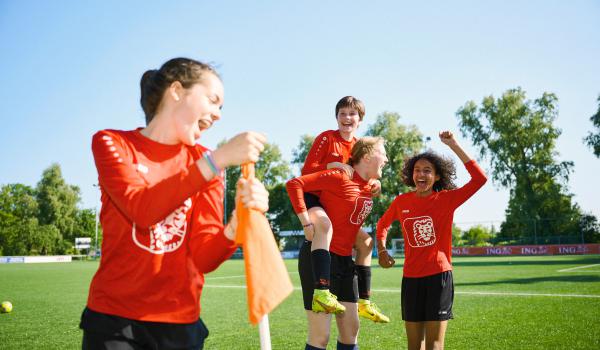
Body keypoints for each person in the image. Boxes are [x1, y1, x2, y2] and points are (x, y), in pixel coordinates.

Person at [79, 57, 269, 350]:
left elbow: (204, 257)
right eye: (213, 100)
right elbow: (141, 209)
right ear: (177, 90)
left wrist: (236, 224)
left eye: (221, 108)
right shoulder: (112, 142)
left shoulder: (206, 164)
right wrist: (216, 160)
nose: (218, 115)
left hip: (181, 325)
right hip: (114, 320)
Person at [376, 131, 487, 350]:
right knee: (414, 346)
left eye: (427, 170)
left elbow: (480, 179)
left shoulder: (447, 199)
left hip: (438, 277)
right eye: (417, 170)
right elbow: (382, 225)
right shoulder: (401, 201)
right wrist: (381, 250)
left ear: (437, 176)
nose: (421, 174)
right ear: (411, 174)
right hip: (410, 278)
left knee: (434, 345)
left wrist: (453, 144)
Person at [287, 137, 388, 350]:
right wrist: (306, 221)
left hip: (345, 262)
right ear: (368, 156)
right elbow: (295, 183)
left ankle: (365, 301)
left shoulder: (368, 186)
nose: (387, 158)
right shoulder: (340, 176)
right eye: (383, 153)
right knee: (320, 337)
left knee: (351, 332)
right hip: (319, 260)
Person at [299, 96, 389, 323]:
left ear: (360, 119)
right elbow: (307, 170)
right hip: (316, 199)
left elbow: (361, 175)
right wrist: (335, 164)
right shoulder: (327, 138)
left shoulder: (361, 145)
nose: (347, 118)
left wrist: (375, 184)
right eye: (342, 113)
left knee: (366, 242)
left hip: (338, 206)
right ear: (336, 117)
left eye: (352, 114)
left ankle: (365, 301)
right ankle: (321, 289)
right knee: (324, 226)